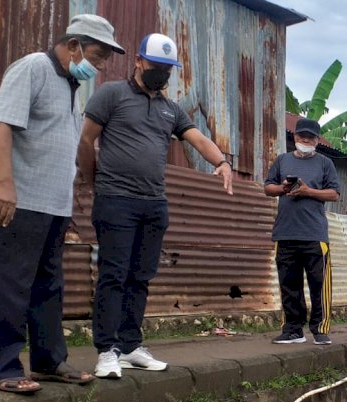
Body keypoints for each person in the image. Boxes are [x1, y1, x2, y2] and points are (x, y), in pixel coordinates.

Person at [0, 14, 125, 393]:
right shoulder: (33, 68)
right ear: (73, 45)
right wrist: (3, 181)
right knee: (10, 284)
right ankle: (1, 369)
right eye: (97, 54)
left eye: (104, 58)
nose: (100, 64)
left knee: (47, 286)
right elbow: (3, 123)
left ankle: (49, 360)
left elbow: (40, 136)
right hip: (16, 201)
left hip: (51, 207)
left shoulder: (69, 84)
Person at [77, 33, 233, 379]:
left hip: (153, 204)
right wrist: (93, 184)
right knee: (113, 275)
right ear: (138, 61)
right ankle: (106, 350)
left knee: (140, 277)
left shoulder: (170, 108)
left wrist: (221, 162)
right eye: (155, 66)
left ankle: (131, 346)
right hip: (116, 200)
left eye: (167, 69)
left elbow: (197, 138)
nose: (160, 74)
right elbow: (86, 140)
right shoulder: (111, 94)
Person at [264, 118, 340, 345]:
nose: (305, 140)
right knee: (289, 285)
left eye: (310, 137)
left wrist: (308, 191)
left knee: (320, 284)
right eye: (301, 136)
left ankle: (320, 329)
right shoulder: (282, 160)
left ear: (317, 140)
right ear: (295, 137)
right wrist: (283, 188)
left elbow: (334, 194)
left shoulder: (325, 163)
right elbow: (268, 188)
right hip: (285, 233)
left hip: (314, 235)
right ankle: (293, 330)